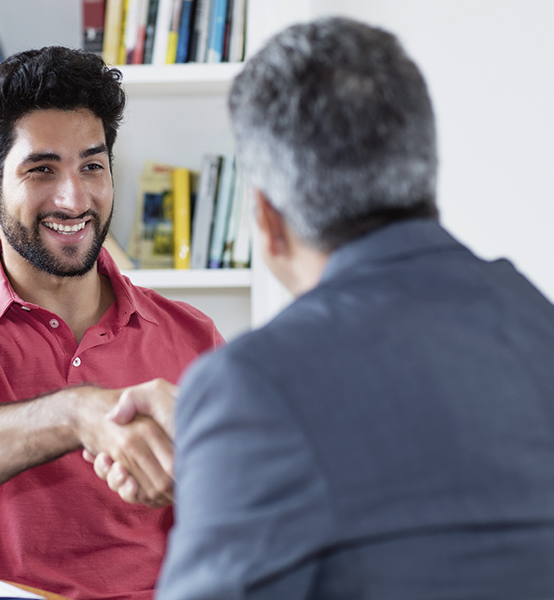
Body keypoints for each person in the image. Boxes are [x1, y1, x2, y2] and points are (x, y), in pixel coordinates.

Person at [99, 16, 554, 599]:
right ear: (422, 172)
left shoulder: (253, 386)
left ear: (265, 218)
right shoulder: (538, 323)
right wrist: (223, 467)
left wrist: (233, 446)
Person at [0, 46, 223, 600]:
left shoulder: (192, 335)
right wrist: (78, 412)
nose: (73, 198)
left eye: (92, 166)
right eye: (41, 170)